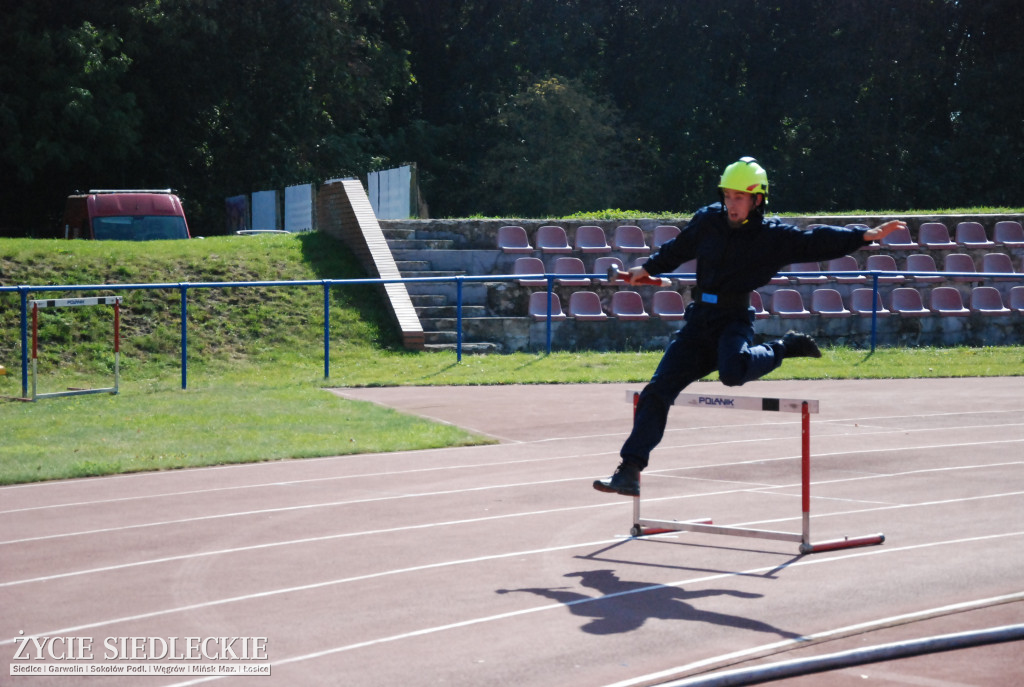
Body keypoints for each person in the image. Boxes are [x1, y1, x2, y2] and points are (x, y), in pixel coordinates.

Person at [594, 157, 907, 496]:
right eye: (728, 196)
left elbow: (814, 241)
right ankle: (630, 470)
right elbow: (678, 249)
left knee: (732, 373)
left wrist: (861, 236)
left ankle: (784, 347)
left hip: (733, 319)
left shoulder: (772, 236)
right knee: (657, 391)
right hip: (699, 322)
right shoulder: (708, 220)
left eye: (739, 197)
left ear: (758, 199)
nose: (731, 204)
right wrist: (647, 267)